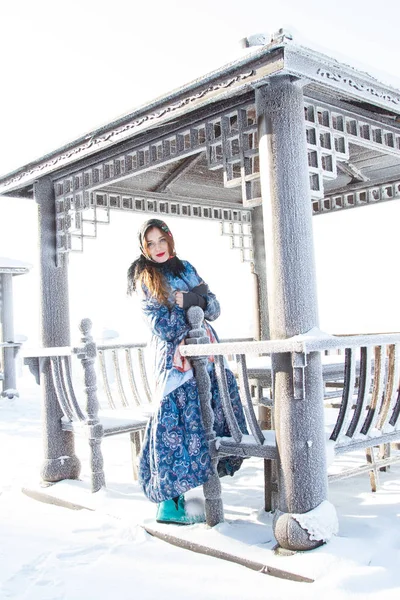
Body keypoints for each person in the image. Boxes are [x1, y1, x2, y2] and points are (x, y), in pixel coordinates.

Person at [127, 218, 247, 524]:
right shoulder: (145, 276)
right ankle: (169, 501)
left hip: (205, 354)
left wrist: (192, 300)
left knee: (212, 415)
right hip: (174, 360)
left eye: (161, 241)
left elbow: (215, 308)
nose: (157, 248)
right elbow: (159, 323)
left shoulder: (186, 269)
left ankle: (203, 487)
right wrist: (192, 314)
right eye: (150, 243)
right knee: (175, 422)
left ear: (170, 240)